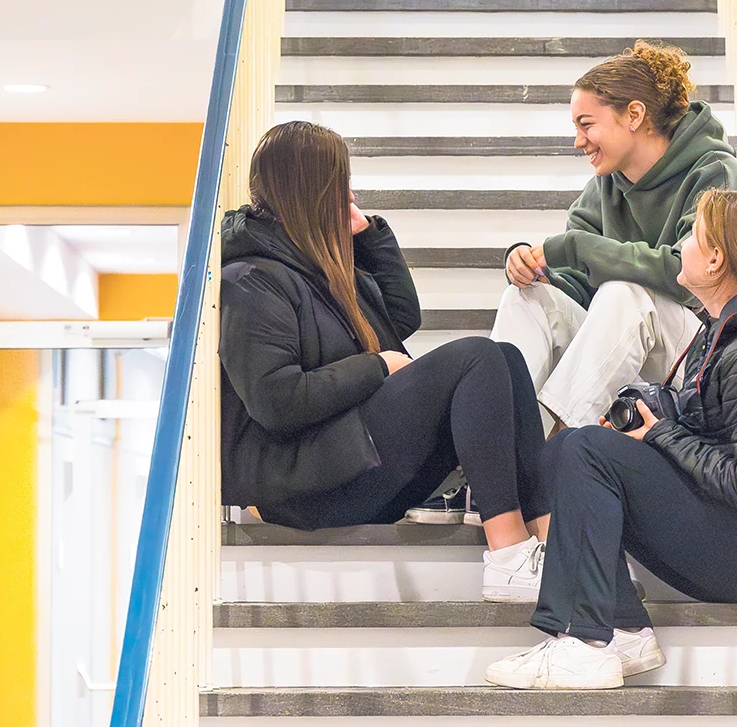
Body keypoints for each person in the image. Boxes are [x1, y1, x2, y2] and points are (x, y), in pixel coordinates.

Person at [485, 189, 737, 689]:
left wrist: (661, 434)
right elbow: (707, 427)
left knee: (586, 450)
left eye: (692, 236)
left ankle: (582, 641)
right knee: (563, 447)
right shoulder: (724, 332)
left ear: (715, 260)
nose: (680, 246)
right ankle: (624, 629)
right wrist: (649, 418)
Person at [216, 121, 551, 602]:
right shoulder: (250, 280)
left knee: (506, 359)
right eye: (339, 183)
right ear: (310, 189)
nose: (349, 194)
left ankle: (551, 547)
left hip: (345, 459)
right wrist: (377, 367)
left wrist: (369, 236)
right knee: (476, 358)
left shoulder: (316, 265)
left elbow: (400, 316)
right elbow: (276, 400)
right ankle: (508, 557)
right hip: (304, 488)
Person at [490, 40, 737, 433]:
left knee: (625, 294)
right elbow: (578, 284)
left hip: (704, 359)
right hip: (621, 348)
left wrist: (577, 248)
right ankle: (498, 442)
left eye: (587, 125)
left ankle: (560, 443)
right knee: (526, 298)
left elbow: (690, 281)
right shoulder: (606, 185)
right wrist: (535, 271)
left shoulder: (715, 173)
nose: (579, 141)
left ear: (634, 115)